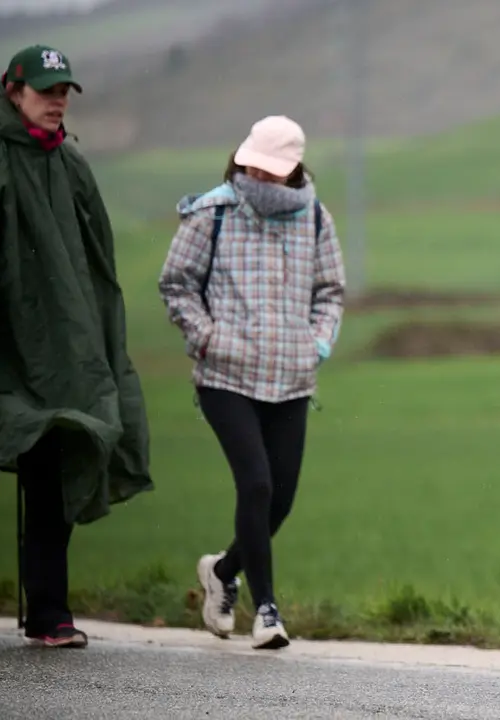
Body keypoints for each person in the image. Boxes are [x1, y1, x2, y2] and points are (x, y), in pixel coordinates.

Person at [0, 45, 153, 648]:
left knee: (49, 472)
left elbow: (95, 263)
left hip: (52, 352)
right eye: (45, 91)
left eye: (64, 91)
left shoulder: (69, 163)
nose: (57, 100)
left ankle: (48, 612)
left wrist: (97, 344)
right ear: (14, 93)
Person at [158, 115, 345, 650]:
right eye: (255, 168)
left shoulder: (315, 219)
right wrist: (207, 337)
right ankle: (266, 610)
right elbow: (176, 283)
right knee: (256, 483)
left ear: (293, 173)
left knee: (279, 501)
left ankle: (223, 570)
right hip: (226, 376)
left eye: (273, 171)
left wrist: (318, 344)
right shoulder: (211, 212)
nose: (261, 179)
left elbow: (330, 291)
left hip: (291, 376)